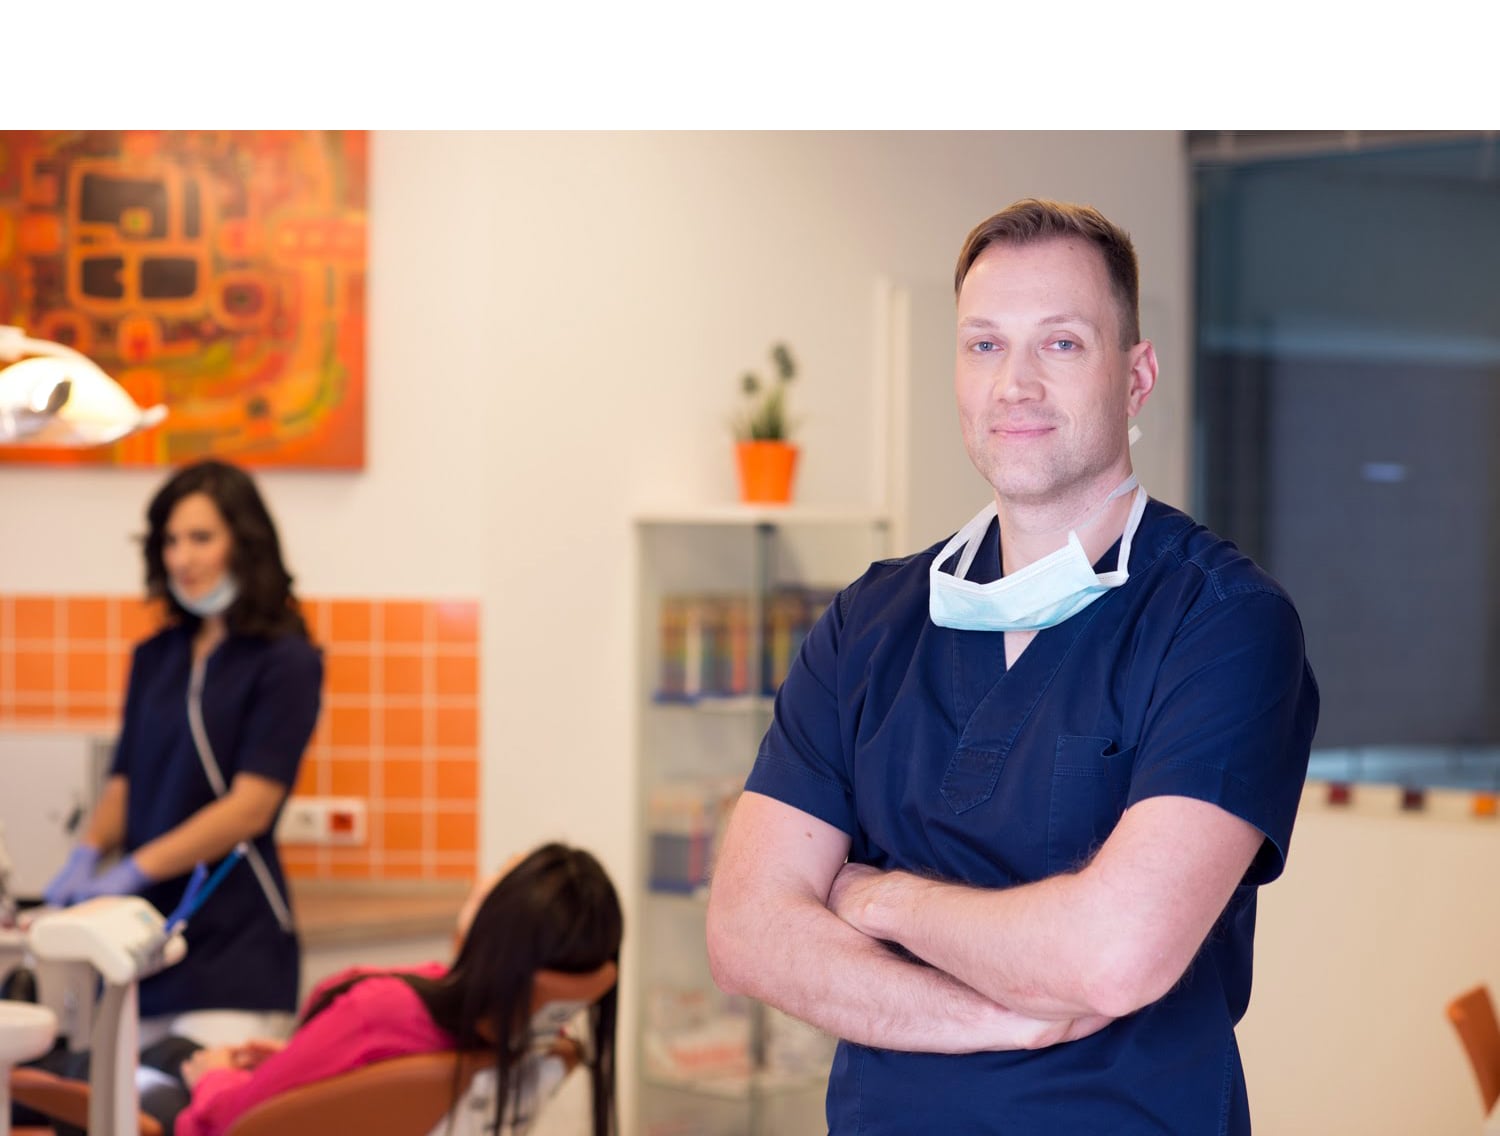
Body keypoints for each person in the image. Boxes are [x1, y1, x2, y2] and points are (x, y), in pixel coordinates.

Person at [705, 198, 1320, 1134]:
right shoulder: (869, 623)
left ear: (1137, 376)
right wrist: (1000, 1019)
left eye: (1061, 344)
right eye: (984, 344)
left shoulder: (1222, 624)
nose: (1015, 384)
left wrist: (878, 895)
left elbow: (1114, 956)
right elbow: (747, 932)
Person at [40, 458, 323, 1048]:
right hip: (143, 937)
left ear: (244, 543)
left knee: (193, 1091)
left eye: (200, 538)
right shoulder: (156, 656)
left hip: (234, 943)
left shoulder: (285, 661)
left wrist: (134, 868)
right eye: (170, 541)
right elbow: (125, 778)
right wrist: (88, 853)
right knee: (120, 1090)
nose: (181, 558)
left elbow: (250, 808)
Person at [124, 842, 621, 1136]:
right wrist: (301, 1060)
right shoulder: (541, 1045)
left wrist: (211, 1077)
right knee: (172, 1049)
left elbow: (234, 1120)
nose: (483, 879)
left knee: (133, 1065)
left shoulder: (381, 1011)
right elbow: (377, 1087)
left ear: (500, 929)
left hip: (206, 1117)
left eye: (500, 878)